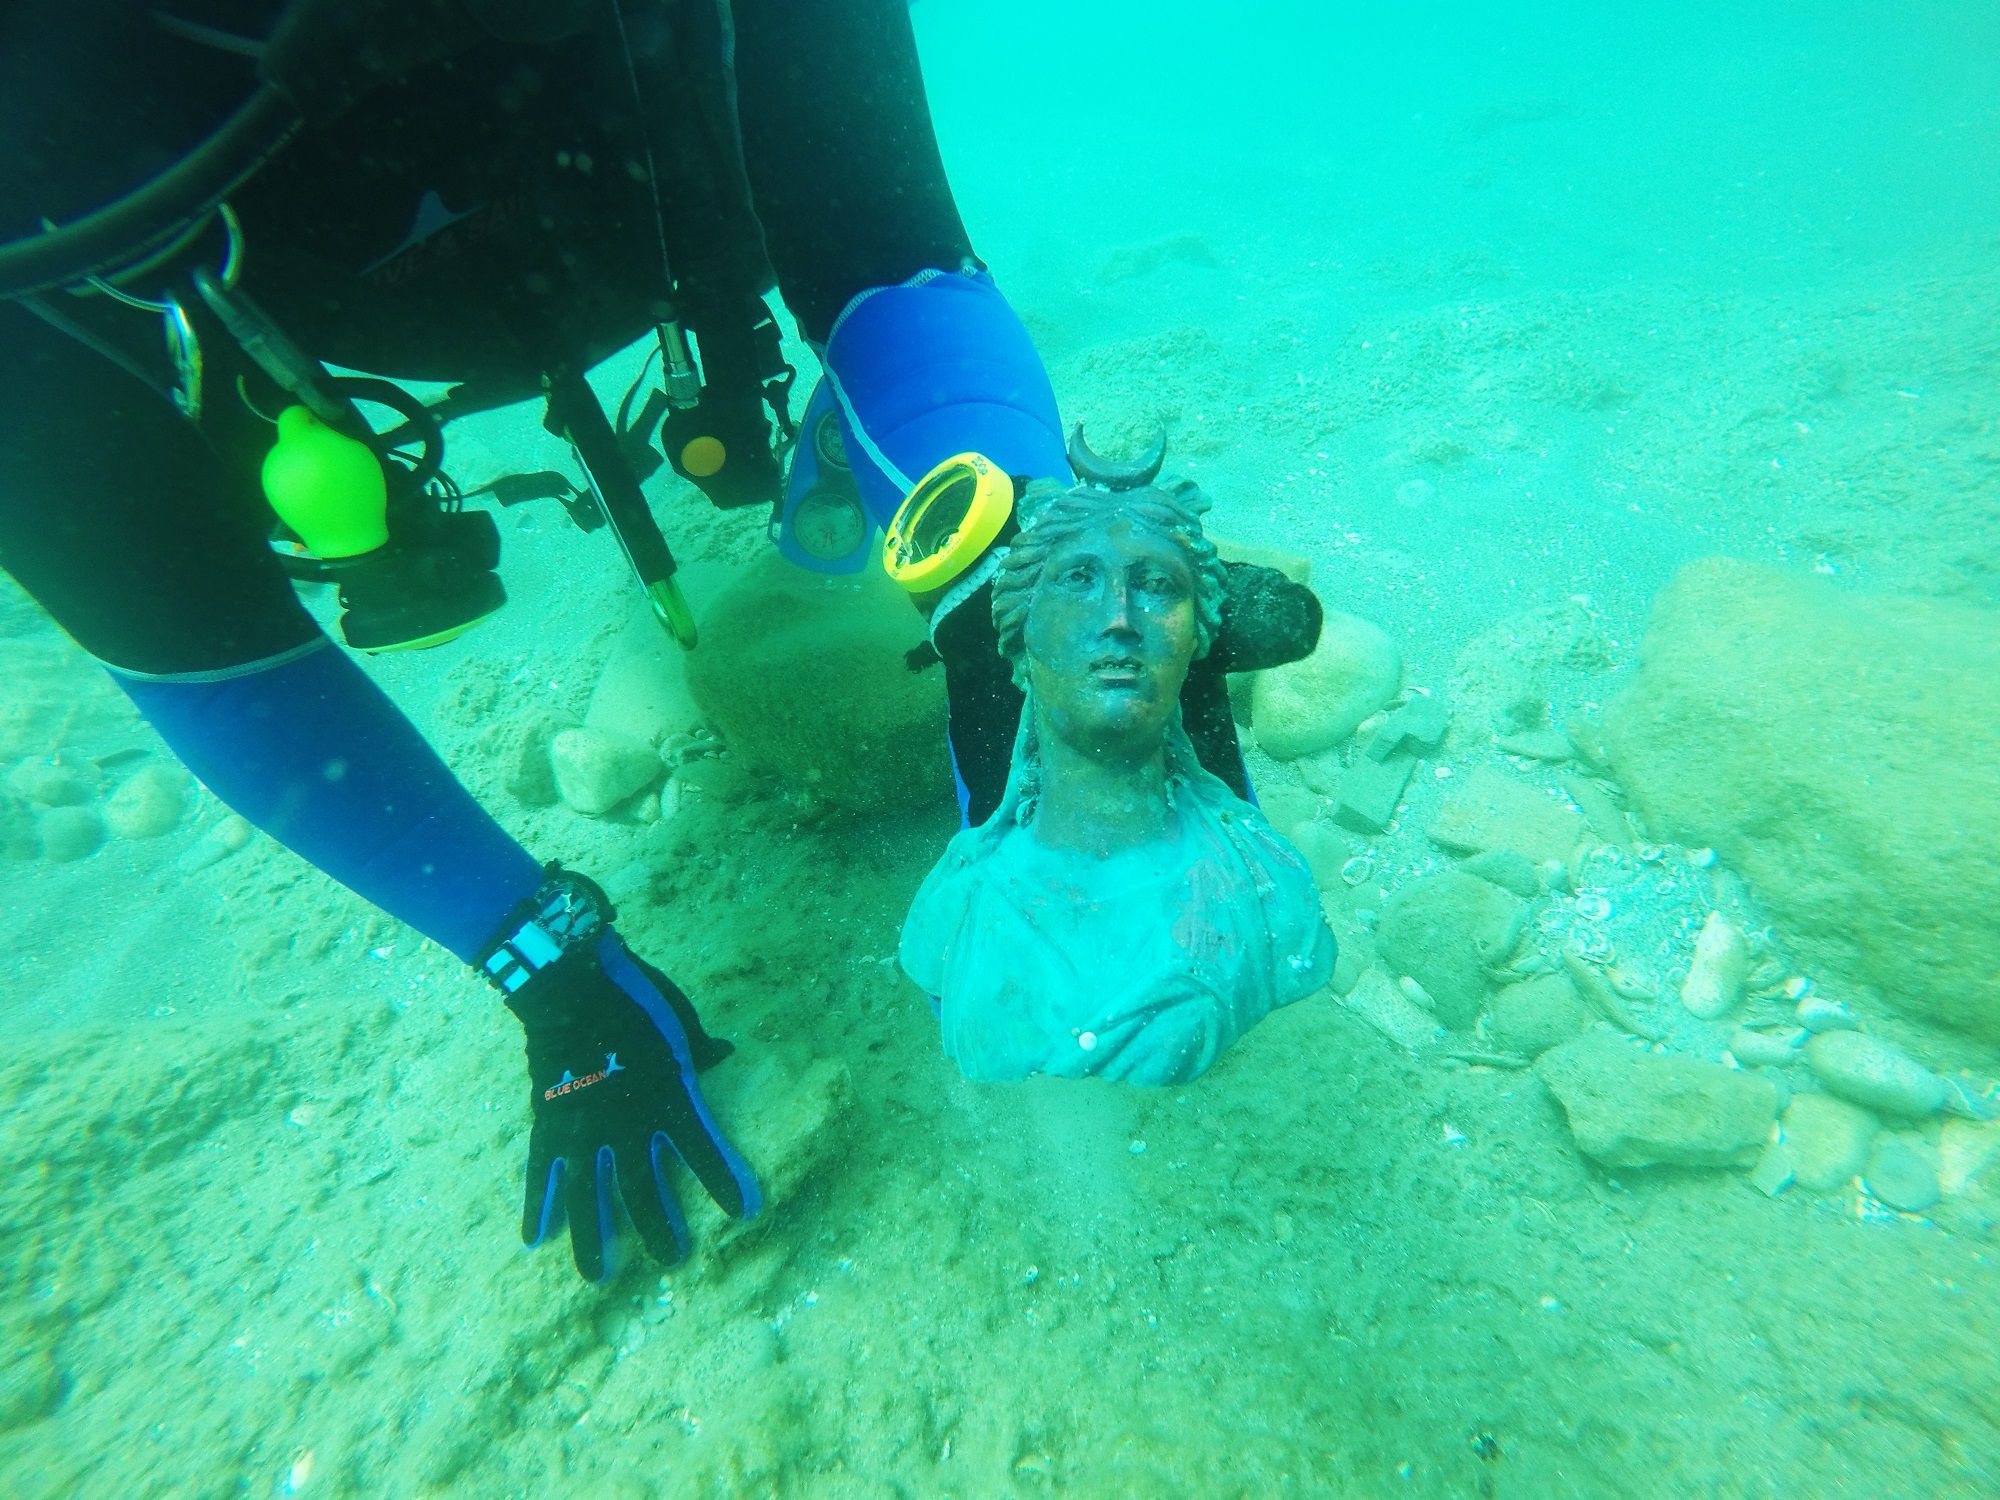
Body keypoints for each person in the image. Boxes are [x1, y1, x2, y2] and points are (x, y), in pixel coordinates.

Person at [0, 0, 1311, 1282]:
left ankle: (844, 519)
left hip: (650, 184)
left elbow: (888, 260)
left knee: (851, 493)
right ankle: (829, 534)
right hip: (248, 279)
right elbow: (188, 638)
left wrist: (1012, 587)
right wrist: (534, 955)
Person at [900, 459, 1335, 1085]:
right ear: (1020, 638)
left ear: (1197, 637)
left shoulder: (1274, 896)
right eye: (1079, 579)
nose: (1120, 617)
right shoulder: (958, 910)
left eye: (1157, 586)